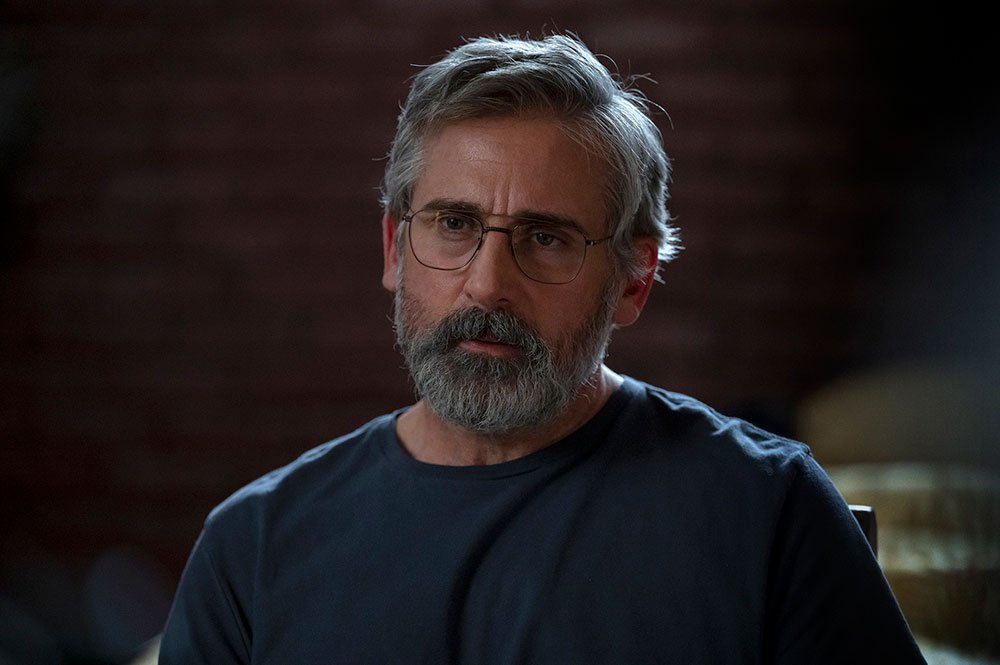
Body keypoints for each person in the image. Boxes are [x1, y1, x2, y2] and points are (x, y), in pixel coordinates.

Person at [159, 34, 926, 664]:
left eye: (547, 237)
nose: (487, 285)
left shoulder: (768, 513)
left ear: (633, 280)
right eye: (454, 225)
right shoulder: (252, 548)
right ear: (394, 248)